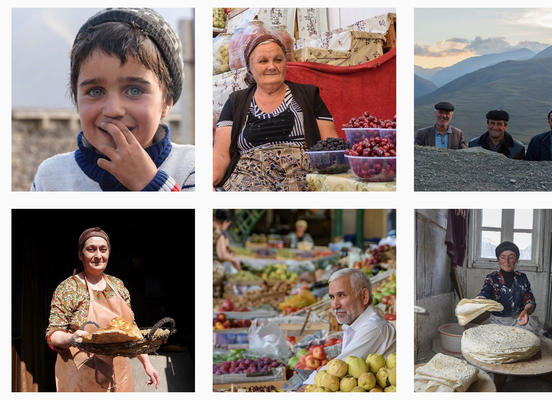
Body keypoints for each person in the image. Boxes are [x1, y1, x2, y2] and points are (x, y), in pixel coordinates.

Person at [31, 8, 195, 191]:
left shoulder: (192, 167)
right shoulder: (51, 177)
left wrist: (149, 183)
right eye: (95, 92)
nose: (112, 110)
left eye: (134, 90)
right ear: (76, 100)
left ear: (166, 102)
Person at [213, 33, 339, 191]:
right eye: (263, 61)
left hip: (302, 180)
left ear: (285, 64)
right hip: (249, 182)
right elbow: (221, 155)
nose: (271, 66)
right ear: (250, 68)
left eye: (278, 60)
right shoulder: (235, 102)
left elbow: (332, 144)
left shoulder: (308, 95)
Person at [46, 227, 160, 391]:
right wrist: (71, 338)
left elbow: (132, 331)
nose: (98, 256)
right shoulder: (68, 288)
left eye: (103, 249)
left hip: (119, 376)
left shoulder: (118, 286)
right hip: (80, 378)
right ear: (80, 254)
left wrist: (147, 364)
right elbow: (52, 334)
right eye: (91, 249)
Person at [303, 268, 396, 385]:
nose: (334, 305)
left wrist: (304, 388)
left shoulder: (373, 327)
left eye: (342, 295)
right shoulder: (353, 325)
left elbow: (336, 370)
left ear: (364, 296)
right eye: (332, 297)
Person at [475, 241, 546, 336]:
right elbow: (485, 292)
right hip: (498, 322)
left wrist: (526, 311)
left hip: (519, 321)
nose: (507, 262)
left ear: (516, 259)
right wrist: (480, 299)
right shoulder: (492, 278)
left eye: (511, 257)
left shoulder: (522, 278)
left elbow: (530, 301)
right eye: (502, 257)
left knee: (538, 337)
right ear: (498, 259)